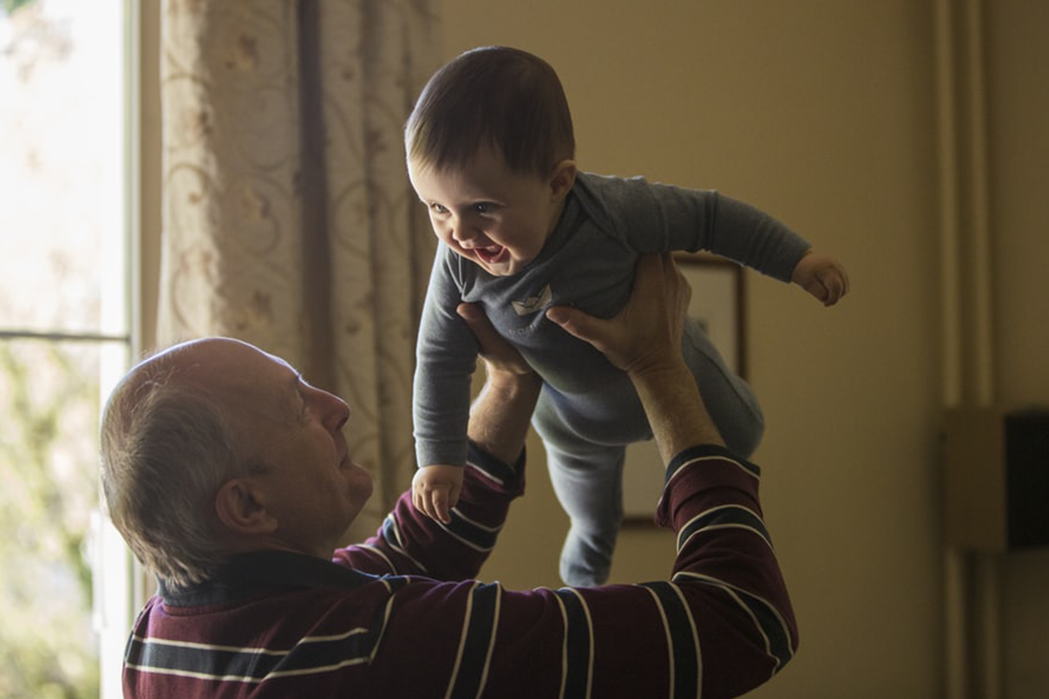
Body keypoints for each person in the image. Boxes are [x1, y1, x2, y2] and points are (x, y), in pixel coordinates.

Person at [100, 253, 798, 699]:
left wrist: (508, 382)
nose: (337, 408)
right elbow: (740, 623)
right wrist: (658, 366)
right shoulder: (378, 650)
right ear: (247, 505)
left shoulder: (163, 635)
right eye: (298, 407)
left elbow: (407, 553)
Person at [406, 45, 849, 585]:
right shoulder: (457, 264)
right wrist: (439, 458)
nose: (459, 233)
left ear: (557, 183)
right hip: (572, 421)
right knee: (591, 517)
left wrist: (797, 260)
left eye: (482, 208)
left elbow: (710, 217)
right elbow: (438, 359)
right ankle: (584, 582)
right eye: (436, 208)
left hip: (675, 367)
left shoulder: (614, 211)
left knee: (744, 434)